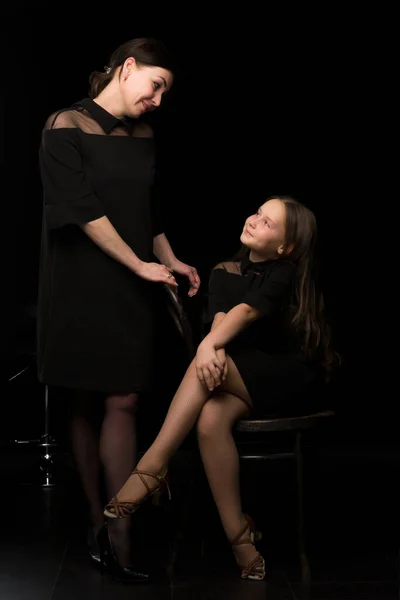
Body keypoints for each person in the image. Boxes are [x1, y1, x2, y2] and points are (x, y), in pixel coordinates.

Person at [101, 195, 339, 581]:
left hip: (287, 378)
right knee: (209, 417)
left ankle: (153, 466)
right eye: (257, 213)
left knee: (208, 361)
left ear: (285, 247)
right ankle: (242, 542)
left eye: (267, 223)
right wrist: (211, 345)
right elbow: (222, 319)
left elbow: (246, 314)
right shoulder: (225, 271)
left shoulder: (285, 270)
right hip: (238, 377)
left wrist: (207, 349)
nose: (254, 220)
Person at [37, 37, 200, 582]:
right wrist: (138, 265)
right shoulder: (65, 125)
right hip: (83, 280)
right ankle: (98, 523)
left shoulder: (144, 135)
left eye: (165, 93)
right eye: (156, 85)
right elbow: (79, 210)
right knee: (85, 397)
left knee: (124, 398)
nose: (158, 101)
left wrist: (170, 261)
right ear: (127, 68)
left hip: (134, 276)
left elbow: (144, 212)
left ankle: (119, 520)